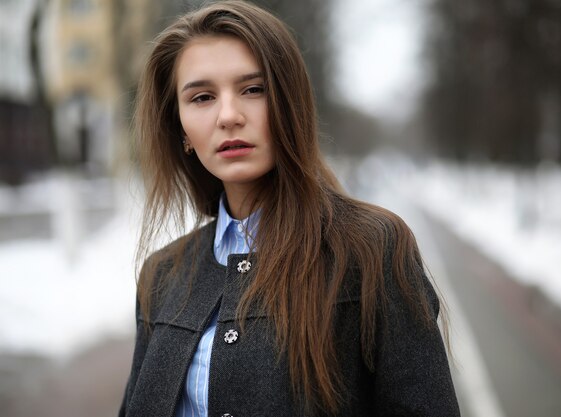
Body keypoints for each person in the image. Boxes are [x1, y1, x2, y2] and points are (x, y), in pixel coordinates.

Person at [119, 1, 460, 416]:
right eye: (203, 97)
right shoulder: (163, 274)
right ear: (181, 127)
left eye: (253, 89)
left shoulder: (373, 251)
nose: (229, 116)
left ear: (289, 102)